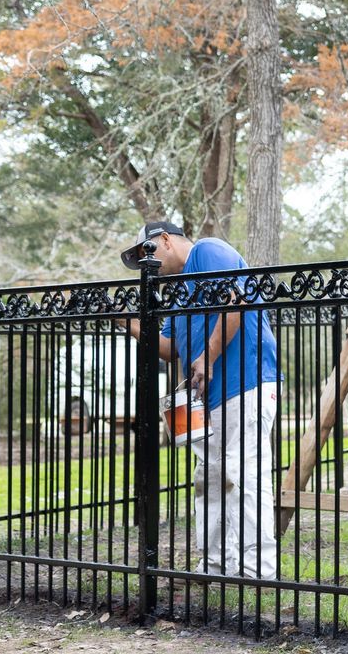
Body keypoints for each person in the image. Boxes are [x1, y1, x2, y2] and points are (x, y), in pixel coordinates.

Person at [120, 221, 281, 585]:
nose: (150, 264)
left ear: (164, 239)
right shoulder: (178, 292)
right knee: (209, 480)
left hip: (247, 382)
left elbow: (237, 300)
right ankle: (214, 568)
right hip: (206, 398)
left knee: (245, 476)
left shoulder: (207, 251)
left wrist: (207, 357)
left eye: (149, 253)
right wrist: (126, 321)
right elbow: (168, 350)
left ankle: (258, 572)